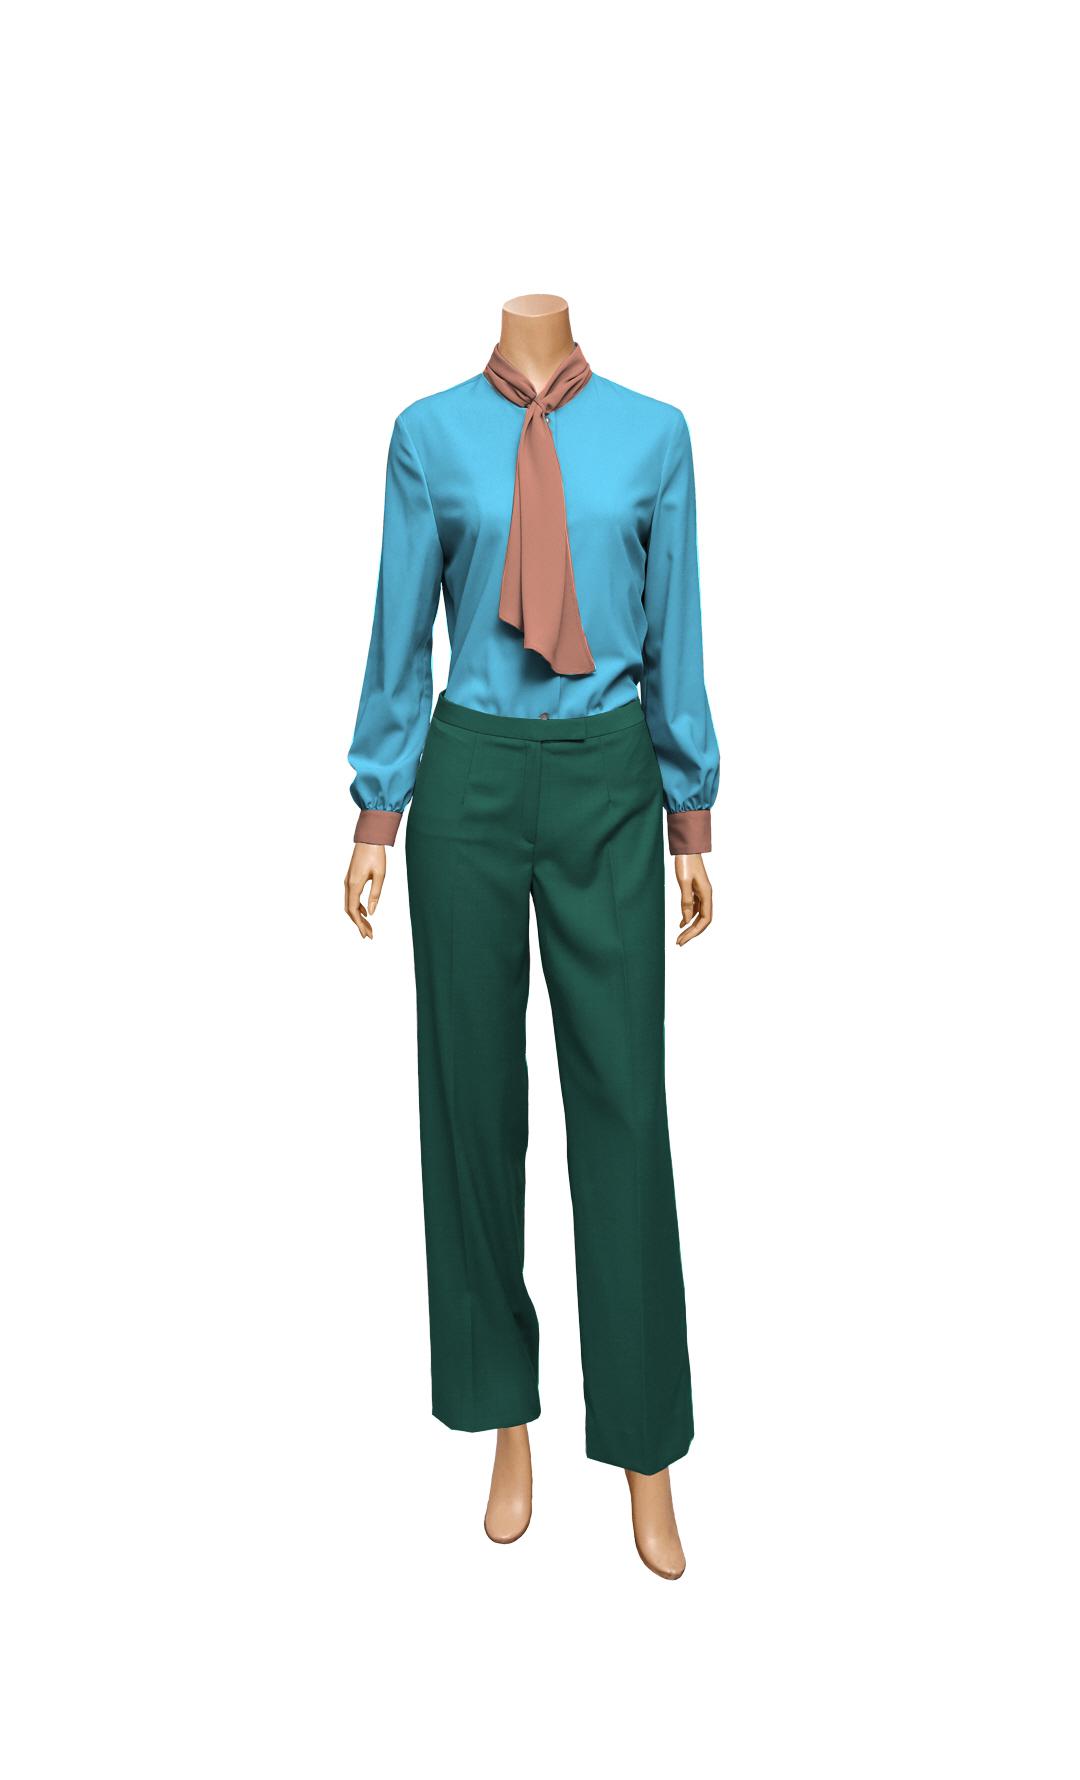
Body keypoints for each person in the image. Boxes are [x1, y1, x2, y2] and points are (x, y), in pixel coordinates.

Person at [344, 294, 719, 1580]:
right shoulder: (429, 435)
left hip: (610, 771)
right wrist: (378, 809)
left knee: (623, 1107)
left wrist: (691, 815)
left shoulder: (655, 436)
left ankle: (646, 1443)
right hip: (469, 779)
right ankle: (505, 1416)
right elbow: (401, 628)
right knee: (472, 1105)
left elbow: (674, 629)